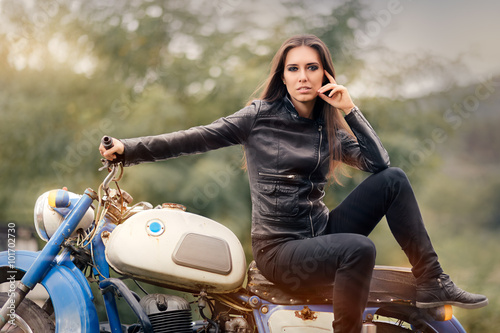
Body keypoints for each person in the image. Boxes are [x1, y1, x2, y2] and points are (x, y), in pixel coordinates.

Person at [100, 34, 488, 333]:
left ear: (325, 74)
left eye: (312, 68)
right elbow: (195, 137)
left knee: (395, 180)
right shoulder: (258, 117)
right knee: (359, 249)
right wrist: (128, 149)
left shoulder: (328, 126)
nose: (303, 77)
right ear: (282, 76)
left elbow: (378, 163)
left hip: (320, 236)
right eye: (294, 69)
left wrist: (349, 110)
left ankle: (432, 280)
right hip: (280, 250)